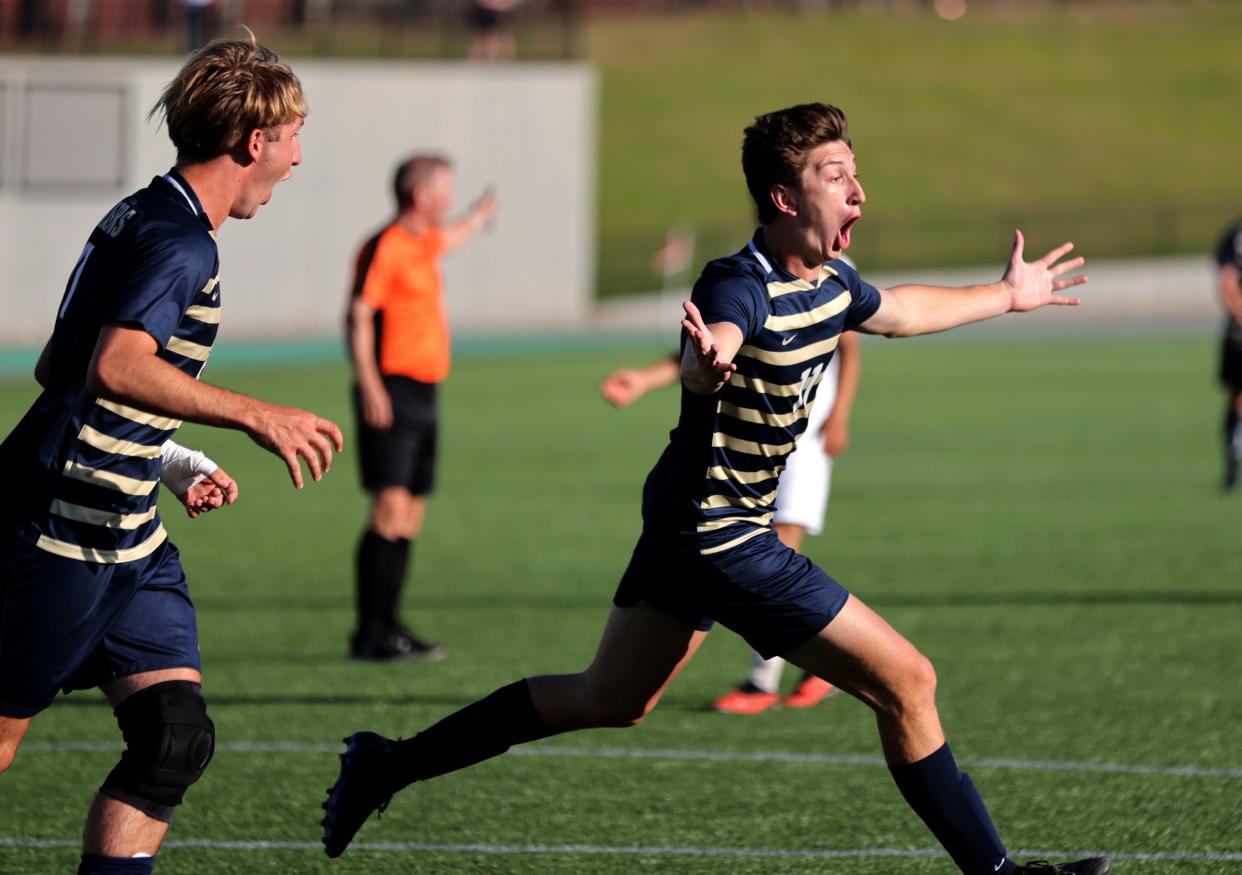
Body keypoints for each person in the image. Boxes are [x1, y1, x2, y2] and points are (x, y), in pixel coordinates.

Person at [321, 102, 1108, 875]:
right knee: (910, 681)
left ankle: (386, 764)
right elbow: (722, 334)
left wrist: (1006, 295)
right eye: (836, 175)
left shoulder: (833, 278)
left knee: (610, 696)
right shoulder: (738, 281)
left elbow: (900, 310)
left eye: (856, 172)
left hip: (686, 520)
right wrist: (706, 365)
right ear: (785, 197)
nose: (858, 190)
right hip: (721, 532)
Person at [0, 39, 343, 875]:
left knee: (174, 738)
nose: (299, 155)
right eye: (296, 134)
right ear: (254, 142)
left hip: (129, 540)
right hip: (57, 532)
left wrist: (170, 457)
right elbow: (115, 365)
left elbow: (61, 372)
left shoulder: (140, 213)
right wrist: (253, 414)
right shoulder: (184, 245)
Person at [600, 327, 863, 714]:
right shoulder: (742, 276)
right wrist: (643, 378)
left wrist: (839, 413)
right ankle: (823, 667)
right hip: (742, 439)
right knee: (753, 550)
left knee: (780, 544)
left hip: (804, 436)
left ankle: (763, 680)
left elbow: (852, 344)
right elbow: (711, 353)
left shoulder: (828, 271)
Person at [345, 156, 497, 661]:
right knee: (388, 510)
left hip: (426, 392)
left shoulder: (422, 242)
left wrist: (478, 216)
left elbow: (449, 239)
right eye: (446, 192)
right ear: (421, 196)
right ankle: (371, 631)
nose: (449, 201)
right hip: (391, 388)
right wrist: (370, 384)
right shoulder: (384, 246)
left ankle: (389, 627)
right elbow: (360, 313)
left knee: (410, 511)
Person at [1215, 220, 1242, 492]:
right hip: (1238, 336)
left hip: (1235, 335)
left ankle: (1232, 455)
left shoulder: (1233, 236)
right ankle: (1232, 456)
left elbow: (1226, 282)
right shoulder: (1235, 237)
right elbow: (1227, 281)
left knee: (1236, 398)